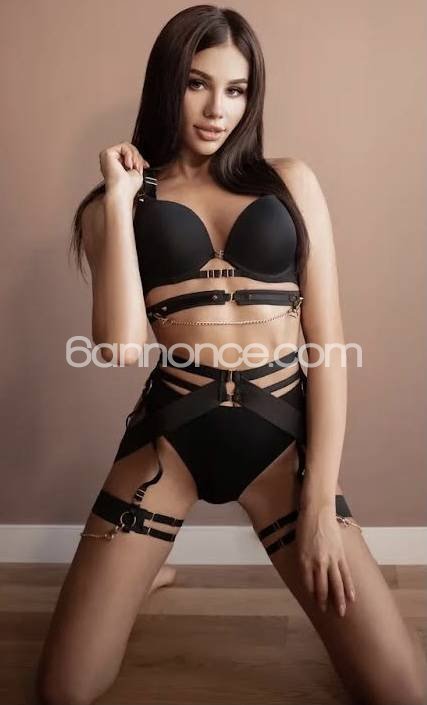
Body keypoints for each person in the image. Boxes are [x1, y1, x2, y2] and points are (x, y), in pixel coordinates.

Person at [35, 5, 427, 705]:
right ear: (167, 83)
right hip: (169, 442)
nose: (218, 109)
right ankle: (140, 572)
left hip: (279, 443)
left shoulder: (289, 182)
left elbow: (328, 345)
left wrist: (317, 505)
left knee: (401, 691)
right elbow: (121, 347)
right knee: (66, 690)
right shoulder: (114, 206)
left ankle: (141, 569)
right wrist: (122, 199)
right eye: (198, 83)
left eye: (236, 89)